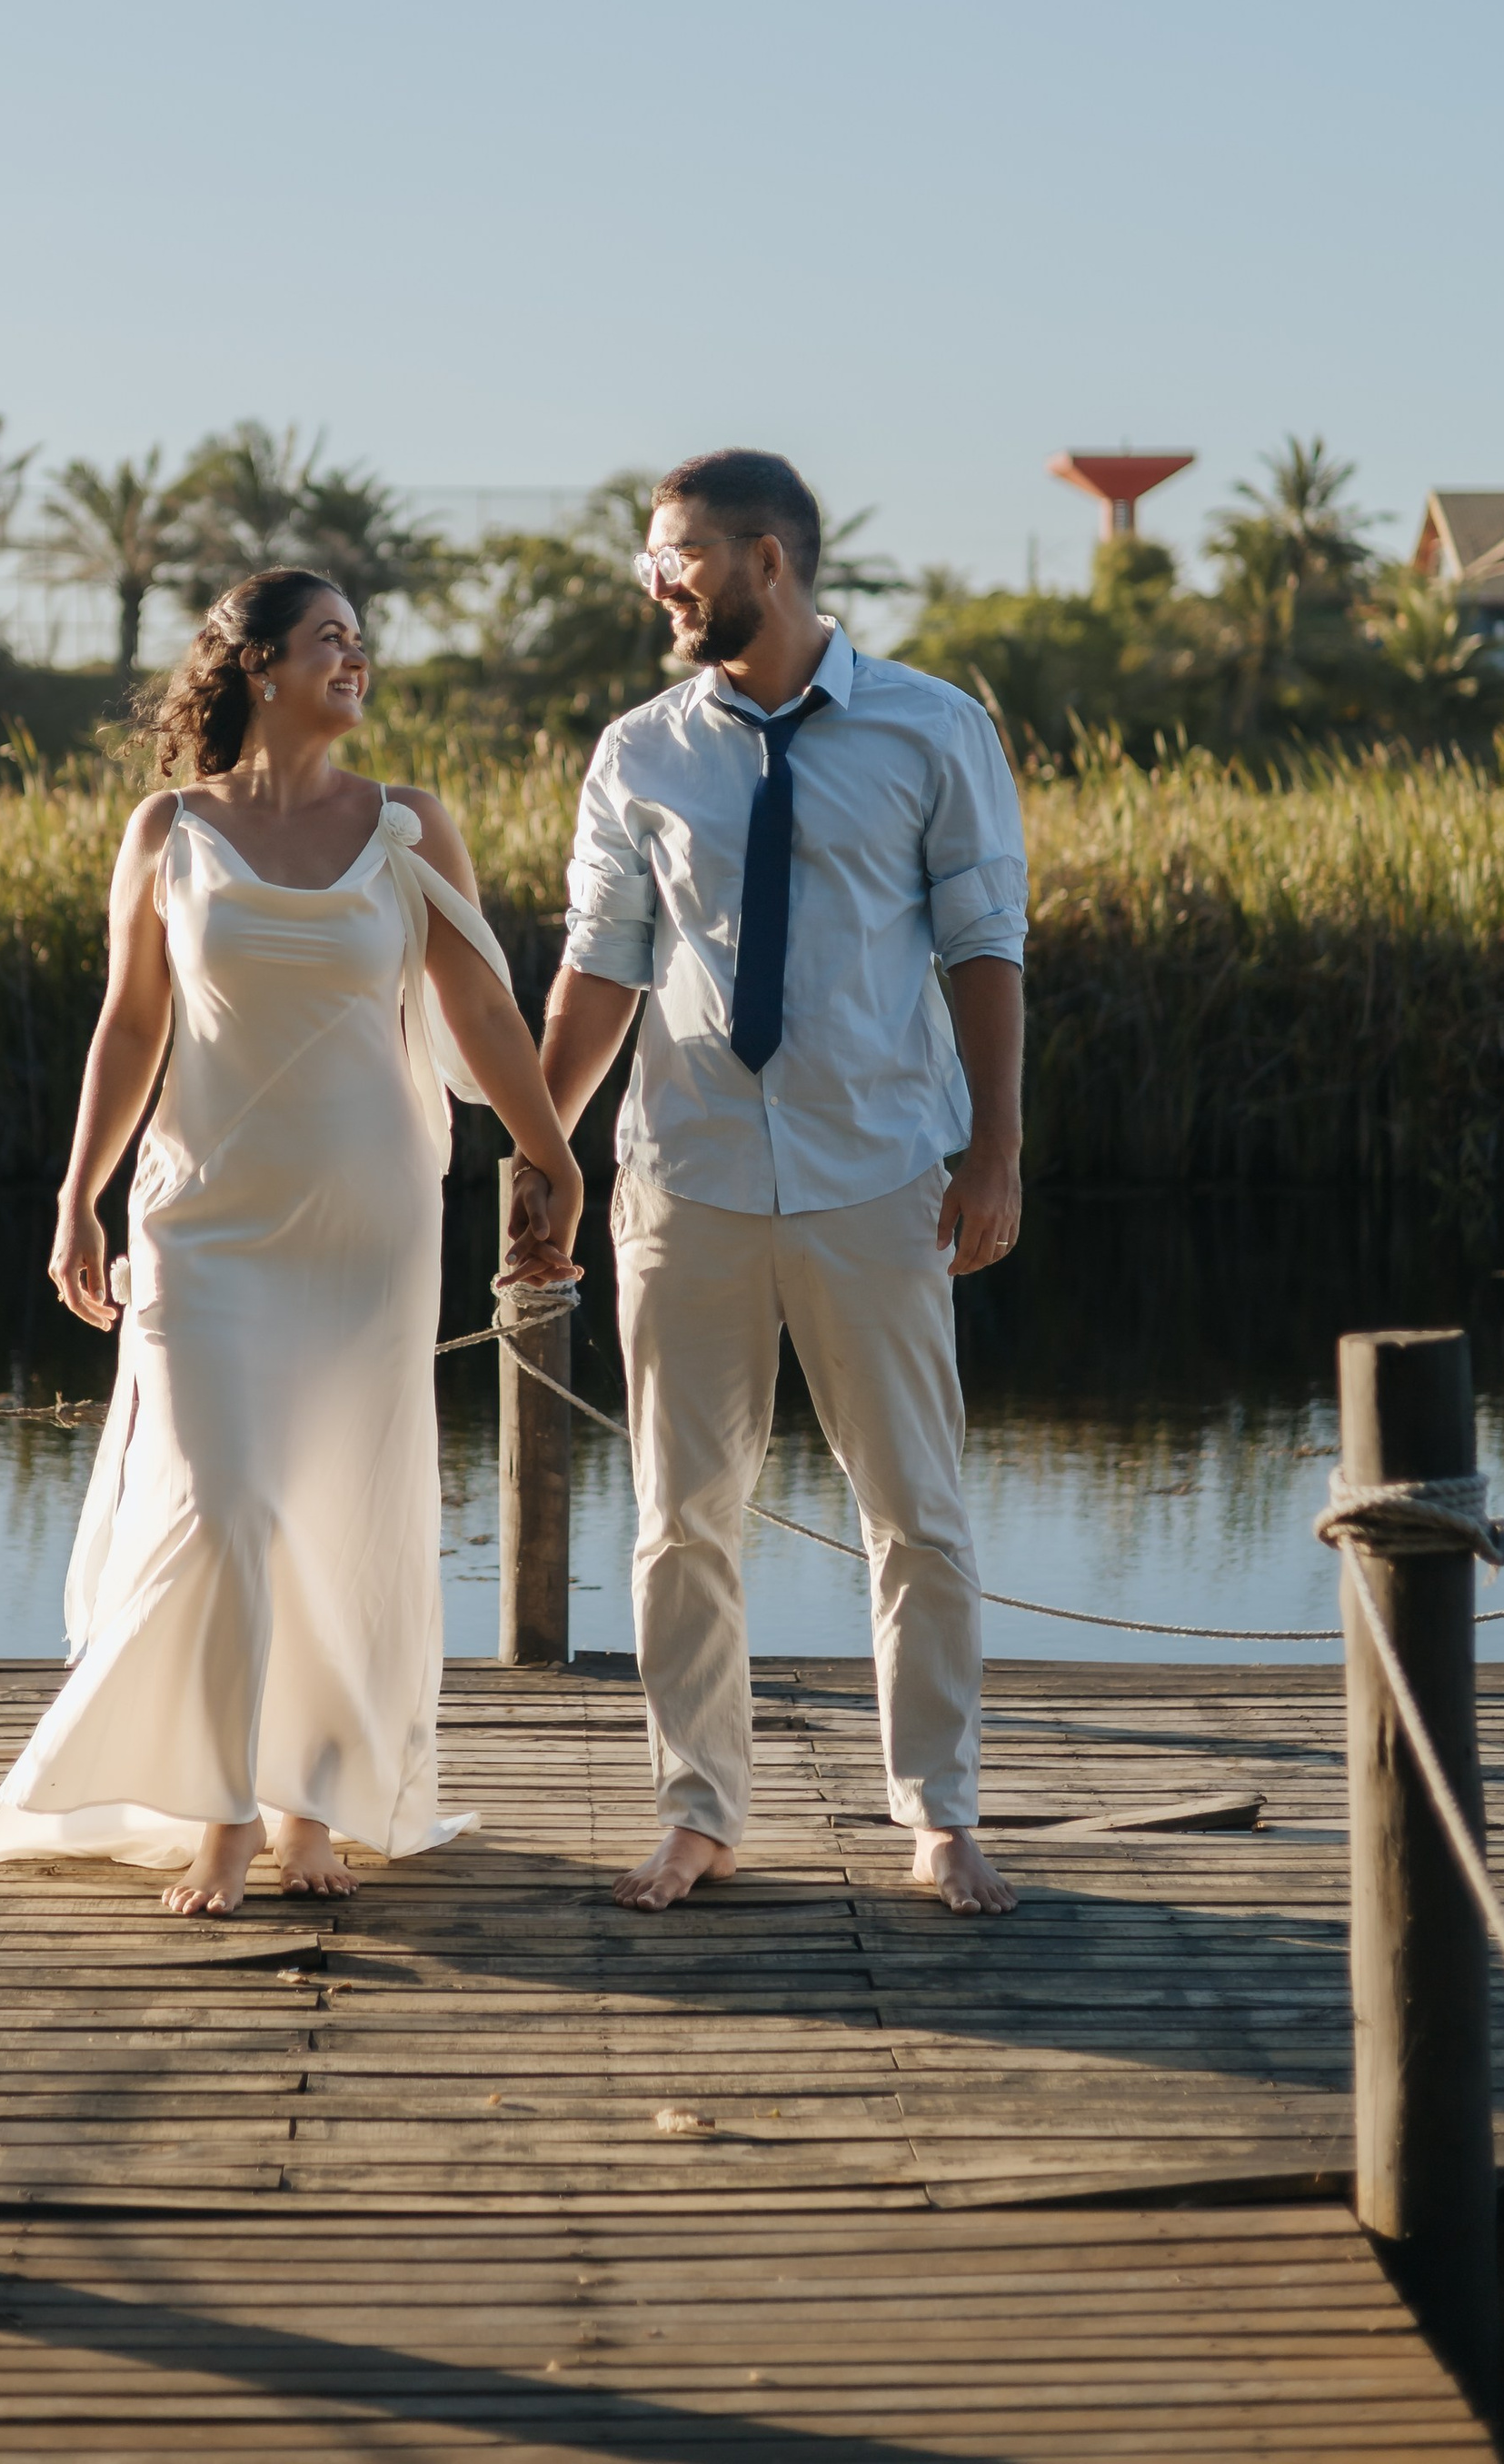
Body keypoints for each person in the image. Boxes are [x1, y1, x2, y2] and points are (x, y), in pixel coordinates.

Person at [0, 565, 584, 1918]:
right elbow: (132, 1025)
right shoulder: (168, 830)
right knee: (226, 1503)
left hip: (368, 1219)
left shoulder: (410, 826)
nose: (355, 662)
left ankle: (315, 1805)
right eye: (329, 642)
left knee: (338, 1510)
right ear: (257, 666)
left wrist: (548, 1153)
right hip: (205, 1218)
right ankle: (220, 1812)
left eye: (363, 641)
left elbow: (481, 1014)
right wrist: (79, 1193)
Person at [512, 449, 1026, 1917]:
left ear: (766, 560)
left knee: (916, 1510)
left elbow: (989, 946)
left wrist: (995, 1149)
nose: (654, 582)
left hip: (880, 1174)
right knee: (683, 1516)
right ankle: (700, 1812)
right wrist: (546, 1156)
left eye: (674, 555)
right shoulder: (638, 752)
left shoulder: (935, 732)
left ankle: (940, 1813)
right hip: (688, 1181)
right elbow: (600, 968)